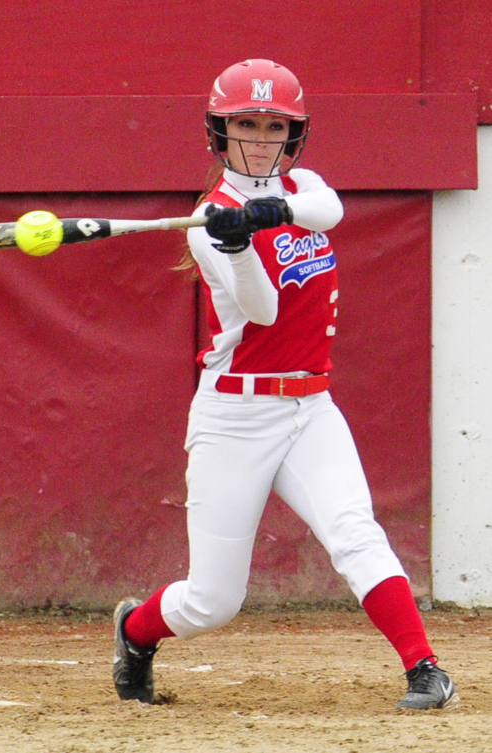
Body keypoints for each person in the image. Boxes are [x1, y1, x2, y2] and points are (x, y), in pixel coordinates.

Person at [111, 59, 458, 712]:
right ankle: (135, 630)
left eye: (274, 126)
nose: (260, 139)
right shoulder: (213, 221)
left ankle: (423, 668)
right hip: (233, 416)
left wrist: (275, 208)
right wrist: (239, 244)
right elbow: (262, 311)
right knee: (214, 600)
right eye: (246, 123)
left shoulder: (306, 187)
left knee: (355, 531)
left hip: (310, 406)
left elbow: (327, 211)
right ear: (219, 131)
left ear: (293, 135)